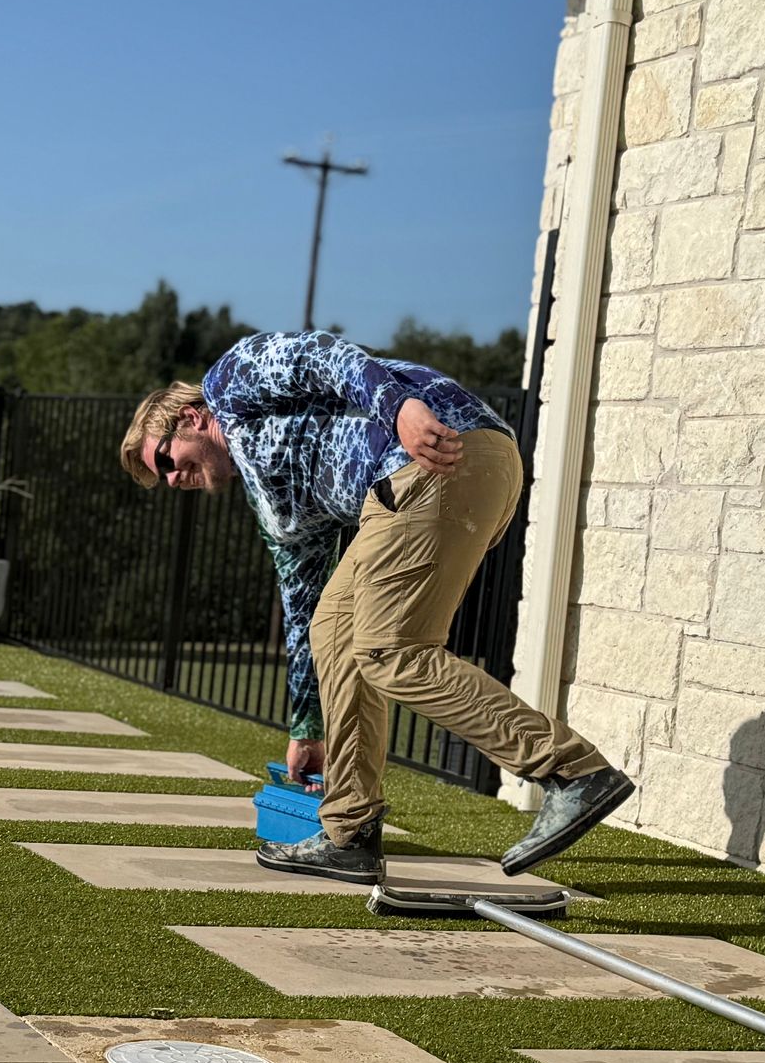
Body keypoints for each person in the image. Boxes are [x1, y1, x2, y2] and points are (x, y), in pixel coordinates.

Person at [119, 330, 633, 885]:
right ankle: (349, 829)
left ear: (190, 419)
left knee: (392, 650)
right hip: (409, 487)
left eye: (167, 460)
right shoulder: (277, 508)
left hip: (432, 456)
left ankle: (570, 770)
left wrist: (401, 409)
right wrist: (307, 727)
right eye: (164, 478)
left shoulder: (228, 382)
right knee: (332, 628)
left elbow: (322, 355)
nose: (174, 480)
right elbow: (301, 607)